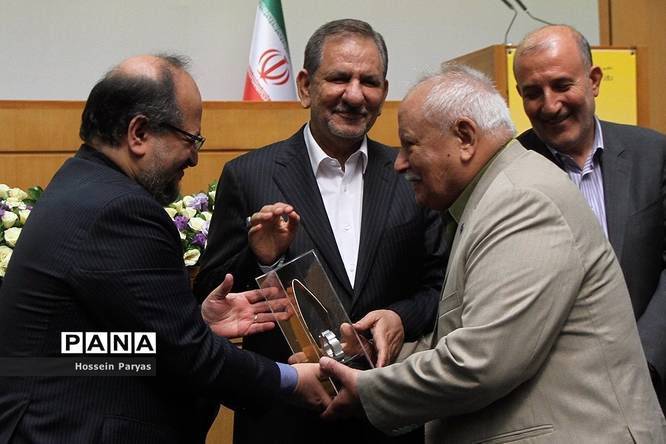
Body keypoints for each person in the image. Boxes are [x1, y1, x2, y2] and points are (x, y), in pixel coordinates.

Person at [319, 64, 666, 443]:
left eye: (410, 145)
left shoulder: (520, 200)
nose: (400, 163)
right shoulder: (492, 195)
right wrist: (380, 354)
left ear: (465, 137)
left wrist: (366, 389)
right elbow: (475, 335)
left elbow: (481, 362)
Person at [0, 54, 330, 444]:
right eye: (190, 139)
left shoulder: (82, 181)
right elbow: (188, 357)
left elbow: (87, 342)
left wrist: (195, 323)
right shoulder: (121, 210)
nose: (194, 157)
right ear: (139, 133)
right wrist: (290, 379)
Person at [194, 19, 446, 444]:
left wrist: (400, 318)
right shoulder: (248, 175)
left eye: (369, 81)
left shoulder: (412, 175)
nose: (355, 94)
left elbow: (443, 286)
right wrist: (262, 259)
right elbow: (210, 296)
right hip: (285, 422)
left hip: (390, 418)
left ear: (384, 92)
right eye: (339, 78)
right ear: (306, 86)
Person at [513, 25, 666, 407]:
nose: (550, 105)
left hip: (652, 383)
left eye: (561, 85)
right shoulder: (508, 171)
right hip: (556, 397)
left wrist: (644, 359)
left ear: (594, 81)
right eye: (533, 93)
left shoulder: (653, 154)